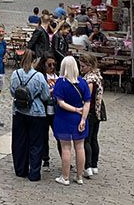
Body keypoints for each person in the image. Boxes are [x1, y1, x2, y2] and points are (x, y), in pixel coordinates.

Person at [9, 48, 50, 181]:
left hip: (19, 112)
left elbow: (12, 92)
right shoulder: (38, 76)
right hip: (36, 113)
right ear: (34, 61)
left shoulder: (15, 74)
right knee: (36, 143)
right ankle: (34, 173)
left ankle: (21, 169)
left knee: (20, 141)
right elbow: (45, 96)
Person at [52, 55, 90, 185]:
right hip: (79, 119)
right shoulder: (82, 82)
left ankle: (65, 176)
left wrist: (74, 109)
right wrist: (83, 118)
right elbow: (87, 103)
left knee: (66, 148)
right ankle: (79, 176)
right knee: (80, 147)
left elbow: (61, 103)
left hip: (64, 118)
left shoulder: (60, 83)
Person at [80, 54, 103, 178]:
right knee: (94, 138)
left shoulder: (89, 79)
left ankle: (88, 166)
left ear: (89, 65)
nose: (81, 68)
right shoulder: (97, 76)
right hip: (97, 111)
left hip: (90, 111)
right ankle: (94, 165)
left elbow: (87, 97)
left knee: (87, 140)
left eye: (83, 66)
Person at [41, 55, 60, 171]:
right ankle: (45, 160)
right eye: (49, 65)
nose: (52, 67)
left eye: (54, 64)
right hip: (45, 109)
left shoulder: (58, 77)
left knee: (59, 135)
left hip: (56, 110)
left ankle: (64, 158)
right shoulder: (42, 77)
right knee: (44, 136)